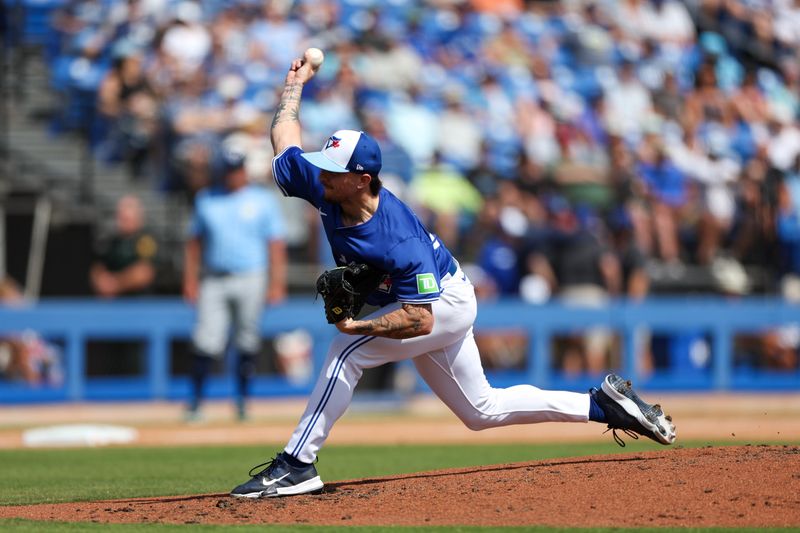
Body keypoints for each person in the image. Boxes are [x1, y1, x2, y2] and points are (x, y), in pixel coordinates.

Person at [229, 56, 677, 499]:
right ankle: (602, 405)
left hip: (442, 302)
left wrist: (358, 326)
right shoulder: (325, 182)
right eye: (322, 164)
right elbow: (284, 138)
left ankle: (296, 464)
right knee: (481, 411)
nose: (320, 172)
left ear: (362, 179)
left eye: (333, 169)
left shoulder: (397, 237)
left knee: (348, 352)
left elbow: (420, 320)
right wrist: (296, 84)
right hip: (426, 298)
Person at [182, 146, 288, 421]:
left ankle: (242, 401)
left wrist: (277, 282)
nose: (233, 175)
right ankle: (196, 402)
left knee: (247, 339)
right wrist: (190, 280)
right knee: (206, 339)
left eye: (237, 170)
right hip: (214, 278)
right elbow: (194, 244)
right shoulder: (207, 199)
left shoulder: (261, 200)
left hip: (251, 275)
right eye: (229, 170)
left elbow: (275, 244)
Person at [90, 195, 158, 298]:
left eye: (127, 219)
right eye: (121, 217)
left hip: (140, 303)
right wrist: (101, 282)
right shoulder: (111, 240)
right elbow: (98, 268)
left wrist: (116, 284)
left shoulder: (146, 240)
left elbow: (145, 273)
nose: (123, 222)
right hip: (114, 304)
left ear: (138, 218)